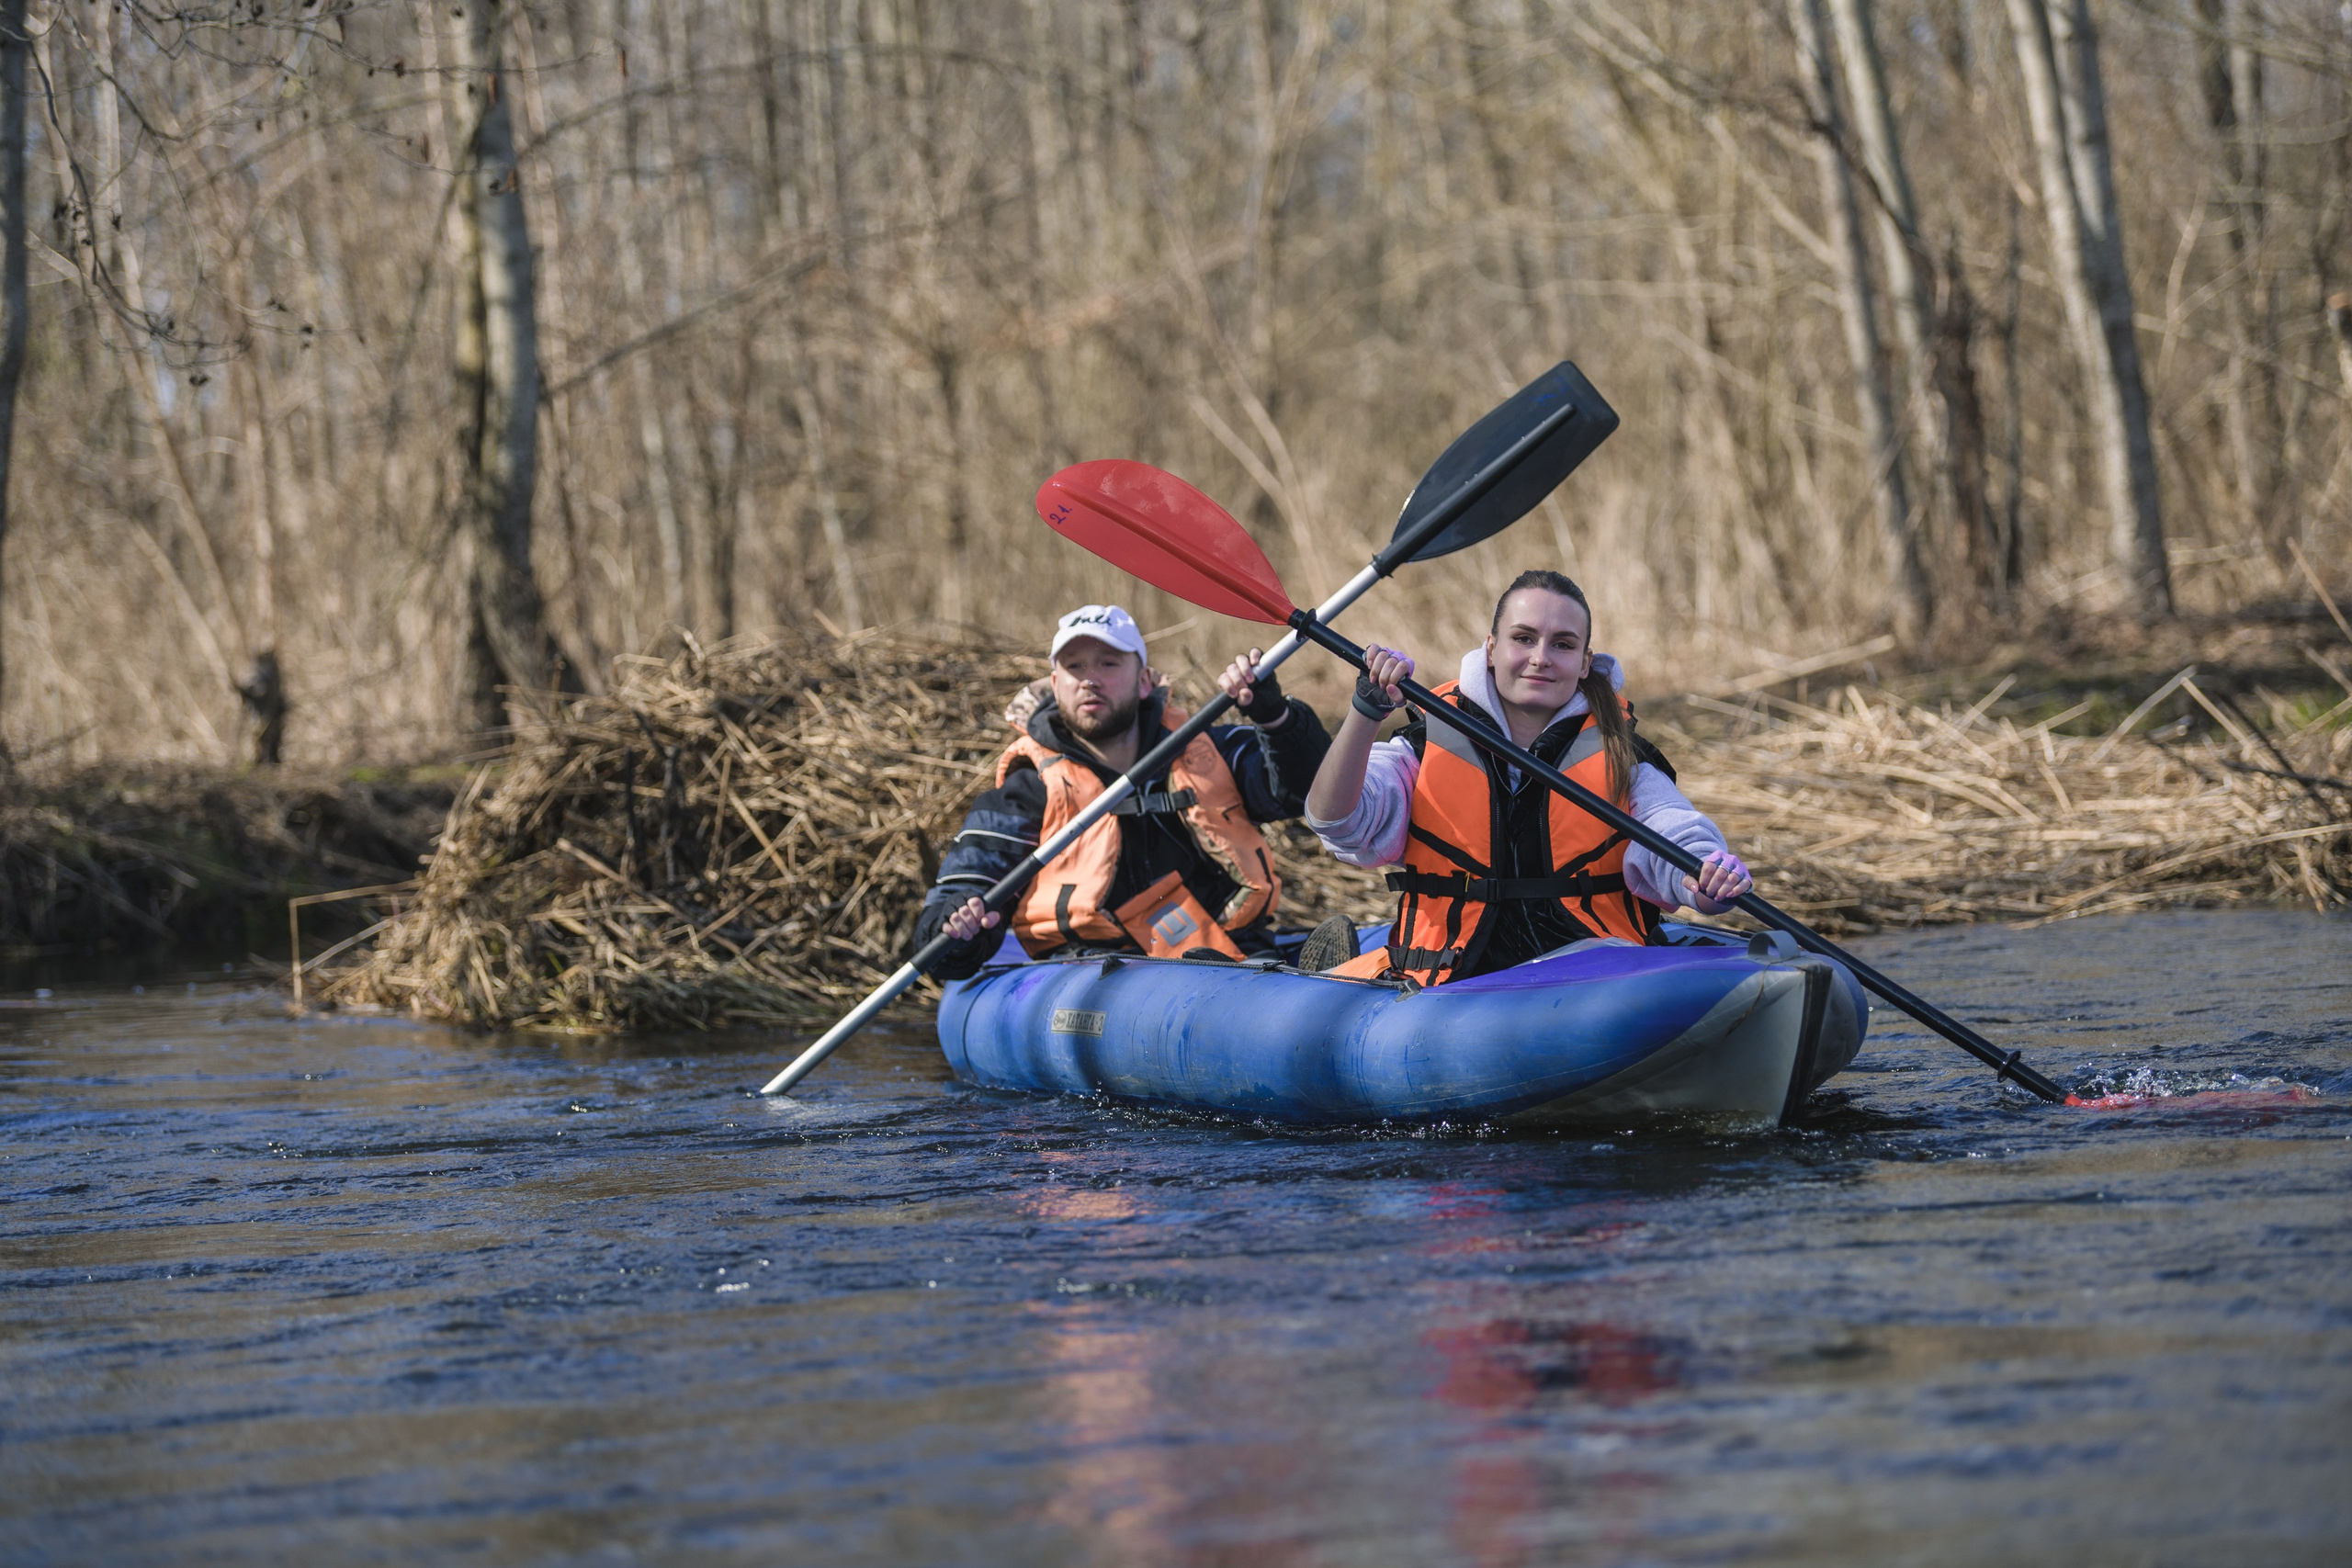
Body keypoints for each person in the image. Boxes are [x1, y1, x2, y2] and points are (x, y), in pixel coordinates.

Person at [1301, 570, 1753, 984]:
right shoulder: (1424, 747)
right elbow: (1335, 821)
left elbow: (1672, 831)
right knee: (1359, 976)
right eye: (1523, 638)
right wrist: (1366, 710)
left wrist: (1707, 879)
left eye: (1562, 644)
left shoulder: (1621, 753)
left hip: (1595, 971)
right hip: (1447, 979)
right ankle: (1331, 971)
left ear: (1584, 662)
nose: (1541, 658)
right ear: (1492, 650)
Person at [913, 604, 1331, 979]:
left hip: (1229, 954)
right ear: (1055, 686)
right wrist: (957, 921)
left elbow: (1309, 793)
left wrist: (1276, 717)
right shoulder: (1028, 788)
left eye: (1109, 663)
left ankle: (1314, 983)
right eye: (1074, 667)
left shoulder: (1208, 751)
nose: (1090, 680)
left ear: (1145, 680)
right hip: (1097, 973)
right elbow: (958, 910)